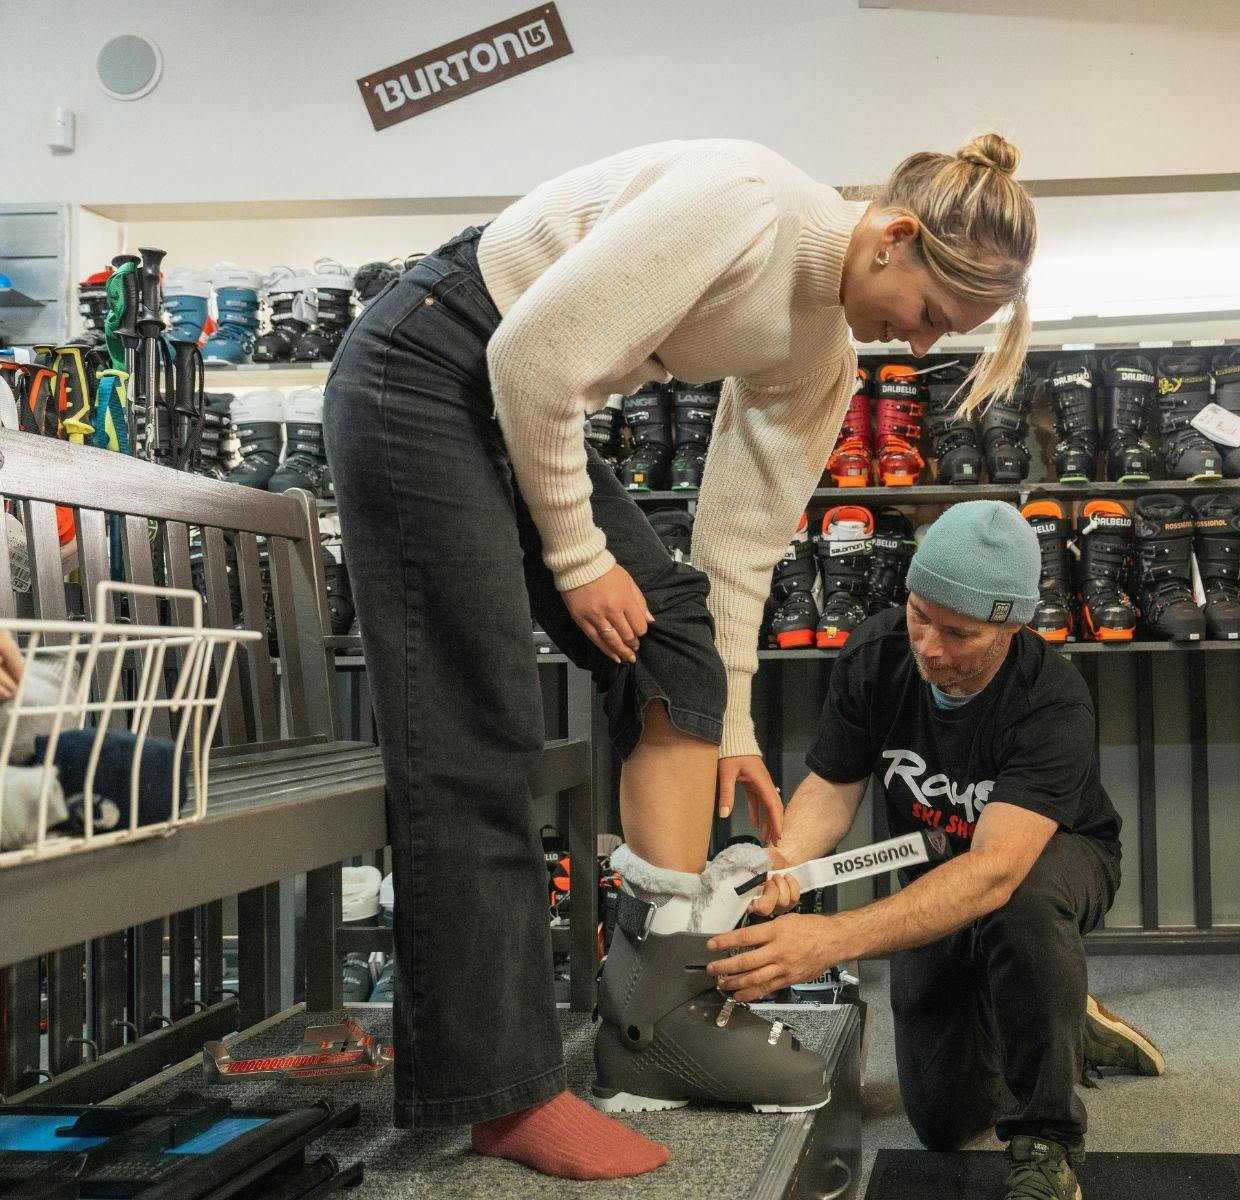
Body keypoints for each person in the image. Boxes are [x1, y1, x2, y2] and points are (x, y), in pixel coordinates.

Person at [321, 135, 1037, 1180]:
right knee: (481, 730)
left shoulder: (822, 356)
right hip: (427, 363)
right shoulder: (747, 205)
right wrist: (575, 558)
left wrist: (733, 726)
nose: (914, 345)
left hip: (511, 393)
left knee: (677, 644)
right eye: (928, 314)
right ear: (892, 237)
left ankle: (657, 1015)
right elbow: (529, 357)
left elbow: (738, 550)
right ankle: (503, 1098)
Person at [707, 501, 1162, 1200]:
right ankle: (1063, 1013)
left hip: (1051, 861)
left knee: (1025, 910)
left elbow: (993, 873)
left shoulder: (1051, 699)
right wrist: (784, 868)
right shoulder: (876, 654)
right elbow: (831, 789)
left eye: (961, 632)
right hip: (937, 867)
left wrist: (829, 939)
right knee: (944, 1123)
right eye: (921, 616)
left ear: (1011, 626)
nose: (931, 647)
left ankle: (1046, 1142)